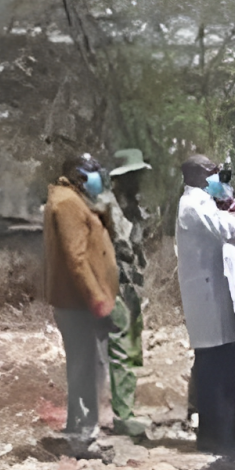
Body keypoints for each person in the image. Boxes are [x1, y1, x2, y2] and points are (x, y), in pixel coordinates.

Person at [176, 155, 235, 451]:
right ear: (198, 175)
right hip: (208, 303)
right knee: (216, 375)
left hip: (218, 300)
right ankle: (215, 439)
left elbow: (233, 225)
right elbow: (228, 230)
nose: (218, 177)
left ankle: (225, 436)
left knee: (227, 370)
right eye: (213, 172)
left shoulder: (206, 203)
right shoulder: (193, 205)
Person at [43, 154, 119, 436]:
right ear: (78, 175)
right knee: (85, 366)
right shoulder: (67, 203)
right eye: (93, 172)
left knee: (86, 364)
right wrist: (97, 299)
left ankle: (82, 426)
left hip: (79, 300)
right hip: (78, 302)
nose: (98, 177)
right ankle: (83, 433)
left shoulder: (71, 199)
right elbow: (76, 259)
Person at [94, 149, 151, 434]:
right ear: (120, 178)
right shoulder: (103, 206)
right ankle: (119, 416)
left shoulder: (134, 209)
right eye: (133, 176)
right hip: (108, 286)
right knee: (116, 350)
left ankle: (123, 411)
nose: (138, 181)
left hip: (128, 287)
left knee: (128, 351)